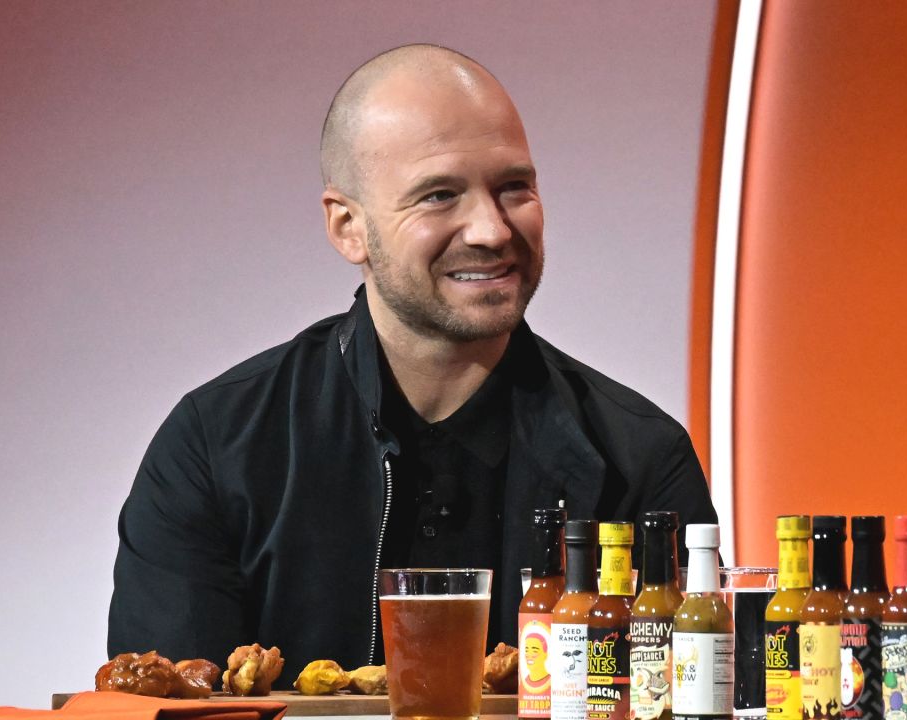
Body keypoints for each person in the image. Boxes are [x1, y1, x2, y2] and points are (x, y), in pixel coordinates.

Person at [108, 43, 717, 687]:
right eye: (438, 195)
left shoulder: (641, 457)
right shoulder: (215, 443)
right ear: (348, 227)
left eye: (514, 187)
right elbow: (160, 700)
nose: (490, 229)